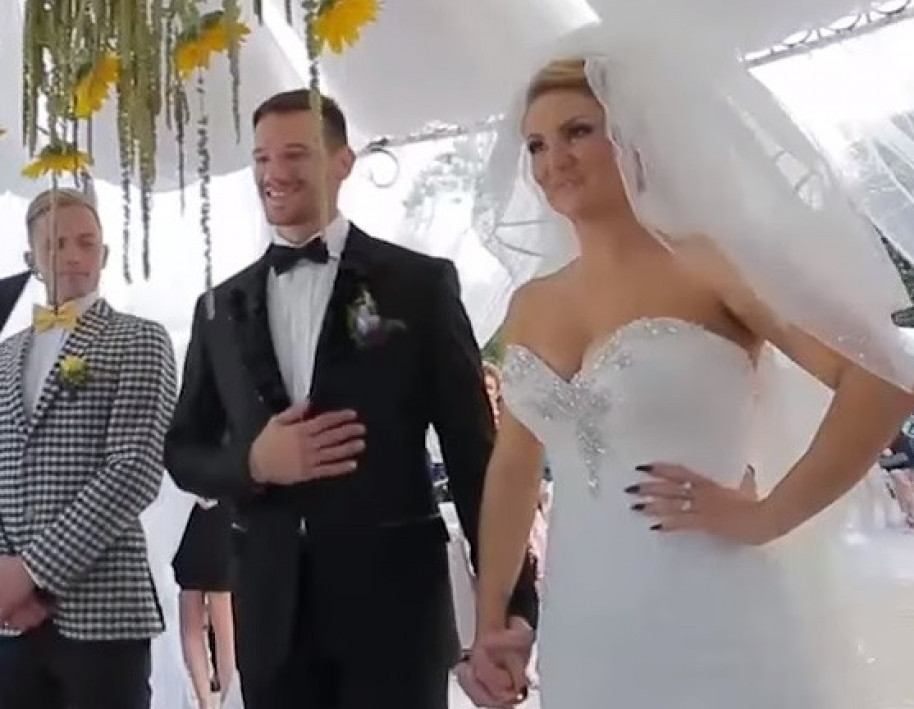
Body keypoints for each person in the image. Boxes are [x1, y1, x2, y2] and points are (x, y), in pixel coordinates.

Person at [456, 26, 914, 709]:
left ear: (635, 134)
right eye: (536, 144)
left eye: (578, 131)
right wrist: (491, 618)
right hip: (583, 623)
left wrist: (770, 515)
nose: (553, 159)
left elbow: (884, 379)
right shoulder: (530, 304)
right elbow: (513, 467)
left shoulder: (710, 263)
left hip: (712, 601)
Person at [163, 89, 538, 709]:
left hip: (395, 614)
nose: (274, 173)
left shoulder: (418, 286)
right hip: (271, 615)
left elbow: (475, 455)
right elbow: (184, 452)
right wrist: (254, 463)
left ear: (343, 162)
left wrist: (513, 605)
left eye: (295, 154)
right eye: (262, 158)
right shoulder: (218, 309)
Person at [0, 188, 177, 709]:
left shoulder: (140, 339)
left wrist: (31, 574)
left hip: (104, 612)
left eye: (86, 242)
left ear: (105, 253)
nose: (73, 255)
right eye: (55, 244)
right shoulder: (4, 355)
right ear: (32, 259)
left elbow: (134, 470)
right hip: (10, 622)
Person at [172, 497, 236, 709]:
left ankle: (206, 701)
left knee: (192, 617)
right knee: (222, 624)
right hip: (213, 511)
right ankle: (228, 698)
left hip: (185, 512)